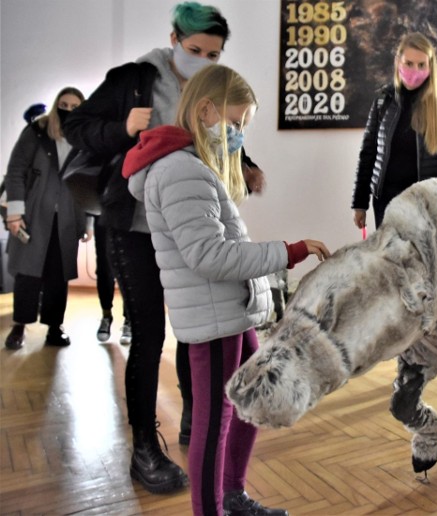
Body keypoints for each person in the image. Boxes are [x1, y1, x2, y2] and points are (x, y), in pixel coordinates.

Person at [124, 63, 329, 516]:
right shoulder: (180, 171)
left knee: (251, 403)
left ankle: (233, 496)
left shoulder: (194, 166)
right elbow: (211, 257)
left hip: (232, 312)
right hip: (214, 320)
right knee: (213, 425)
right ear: (205, 110)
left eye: (243, 126)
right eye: (236, 123)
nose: (238, 135)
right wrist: (287, 251)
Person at [64, 1, 235, 494]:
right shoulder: (134, 77)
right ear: (175, 39)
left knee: (195, 327)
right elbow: (78, 128)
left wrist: (241, 156)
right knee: (149, 334)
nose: (203, 59)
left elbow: (212, 141)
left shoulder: (212, 88)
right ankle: (144, 449)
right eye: (195, 49)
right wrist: (123, 129)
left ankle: (192, 424)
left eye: (214, 53)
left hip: (190, 225)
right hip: (134, 225)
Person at [4, 88, 91, 350]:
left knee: (58, 274)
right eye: (64, 104)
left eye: (75, 106)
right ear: (56, 105)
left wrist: (86, 223)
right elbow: (15, 171)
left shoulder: (84, 138)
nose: (68, 110)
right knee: (27, 274)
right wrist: (15, 212)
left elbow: (87, 182)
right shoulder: (37, 131)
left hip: (67, 218)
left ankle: (55, 327)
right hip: (33, 215)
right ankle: (19, 325)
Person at [352, 31, 437, 230]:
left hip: (427, 205)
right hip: (386, 203)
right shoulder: (382, 102)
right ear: (398, 62)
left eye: (422, 65)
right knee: (389, 259)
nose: (415, 70)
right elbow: (368, 154)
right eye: (409, 63)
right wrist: (360, 203)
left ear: (430, 66)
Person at [94, 216, 132, 345]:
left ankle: (129, 320)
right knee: (104, 270)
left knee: (129, 269)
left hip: (130, 217)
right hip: (104, 215)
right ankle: (106, 315)